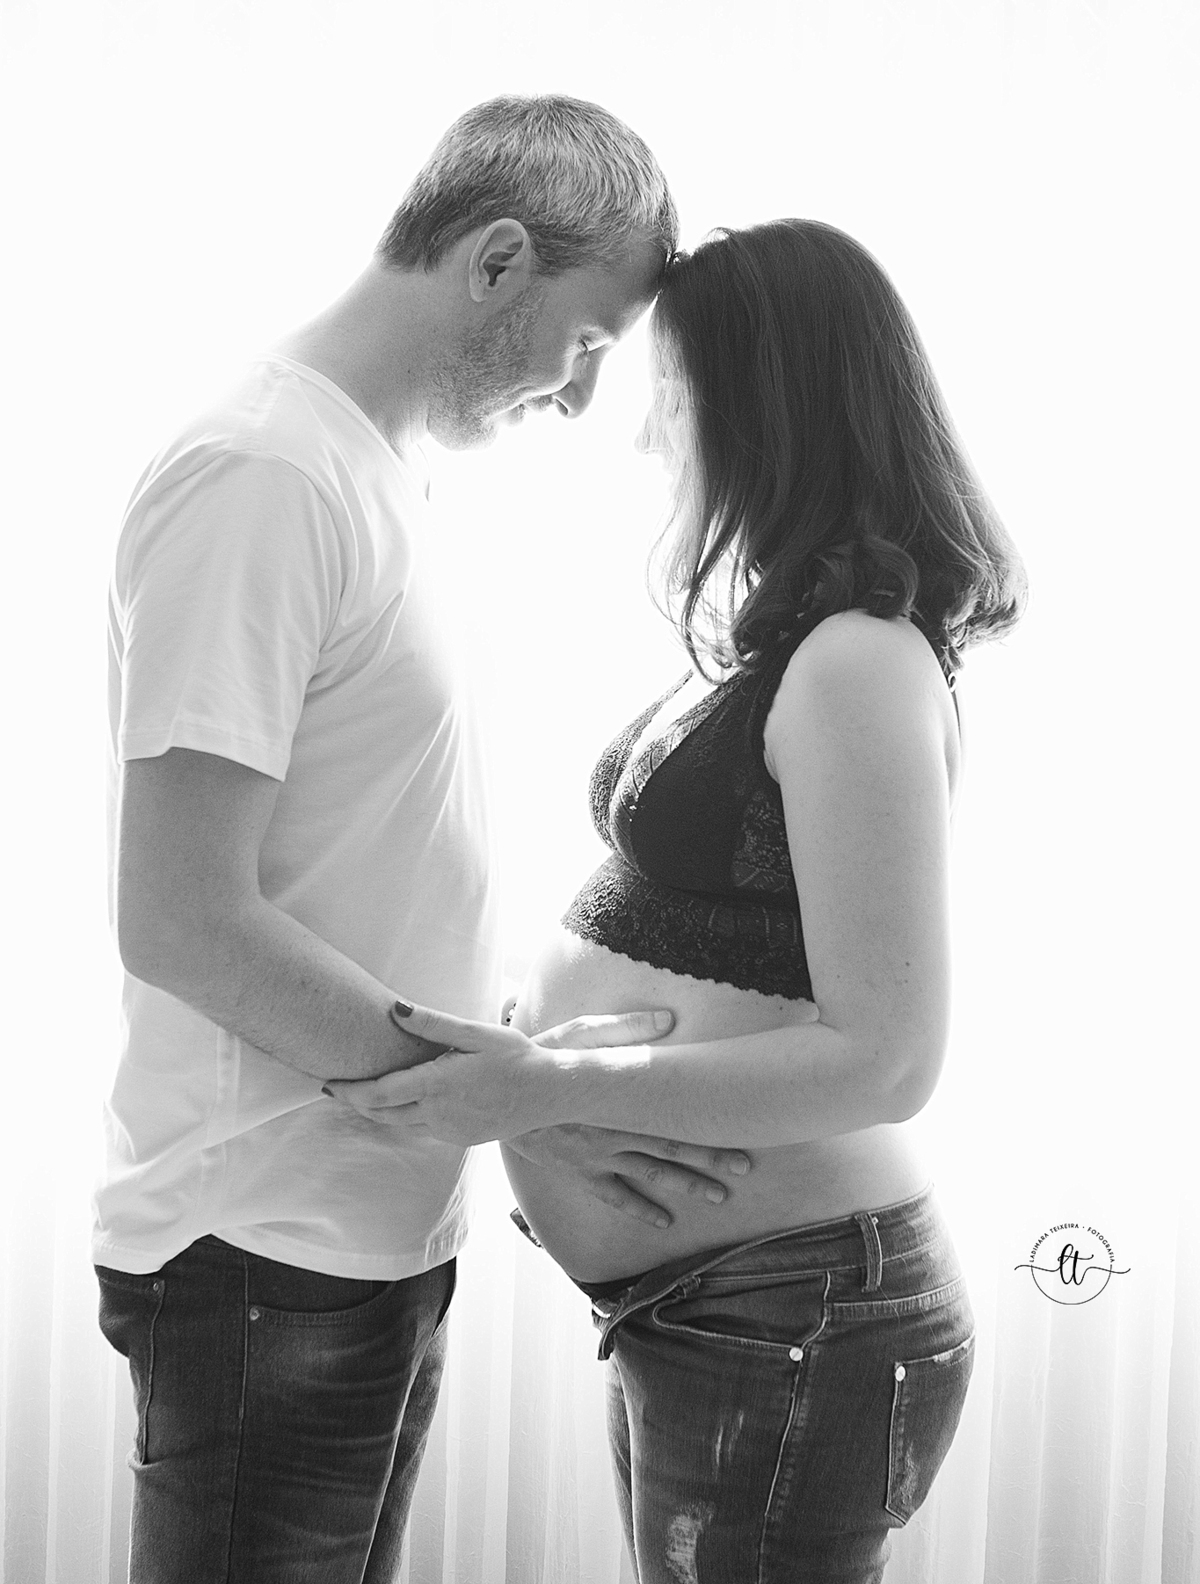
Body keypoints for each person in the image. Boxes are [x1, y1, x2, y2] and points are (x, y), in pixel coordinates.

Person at [96, 95, 755, 1584]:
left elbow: (368, 859)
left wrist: (535, 1053)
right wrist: (527, 1105)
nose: (580, 401)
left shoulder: (378, 476)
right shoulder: (266, 475)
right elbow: (183, 917)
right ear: (496, 259)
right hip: (266, 1237)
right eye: (586, 344)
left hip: (360, 1227)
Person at [328, 219, 1028, 1583]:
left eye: (670, 395)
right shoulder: (798, 640)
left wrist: (542, 1088)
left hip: (796, 1307)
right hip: (737, 1304)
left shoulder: (860, 662)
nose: (650, 438)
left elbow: (887, 1059)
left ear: (766, 407)